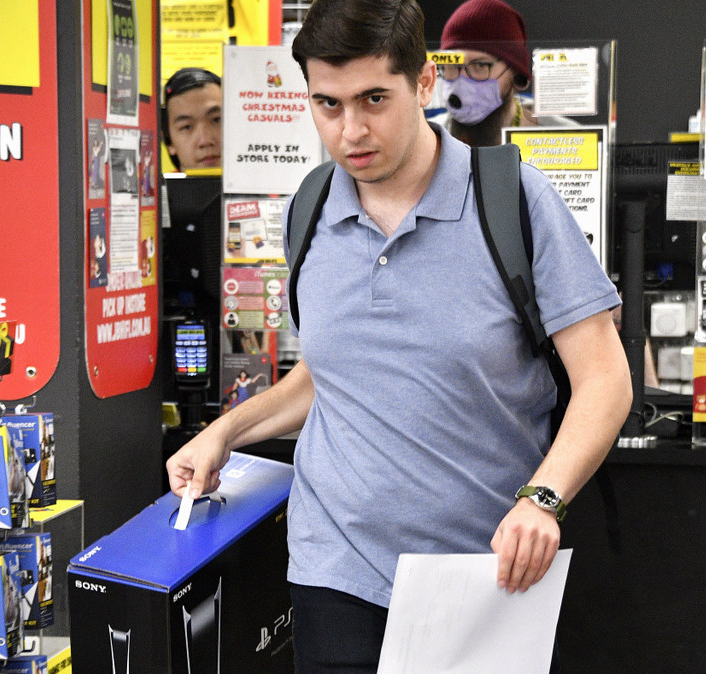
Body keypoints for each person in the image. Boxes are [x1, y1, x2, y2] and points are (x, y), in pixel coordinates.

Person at [165, 0, 630, 670]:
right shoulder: (310, 208)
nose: (351, 129)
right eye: (327, 104)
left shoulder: (515, 202)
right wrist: (225, 432)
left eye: (374, 99)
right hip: (334, 573)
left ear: (423, 85)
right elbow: (331, 372)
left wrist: (543, 499)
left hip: (486, 573)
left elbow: (604, 378)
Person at [436, 0, 569, 147]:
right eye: (452, 65)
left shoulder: (566, 138)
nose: (462, 79)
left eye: (480, 65)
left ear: (515, 71)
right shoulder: (429, 137)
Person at [161, 68, 223, 171]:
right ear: (169, 142)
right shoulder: (158, 187)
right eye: (187, 127)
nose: (205, 141)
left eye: (217, 120)